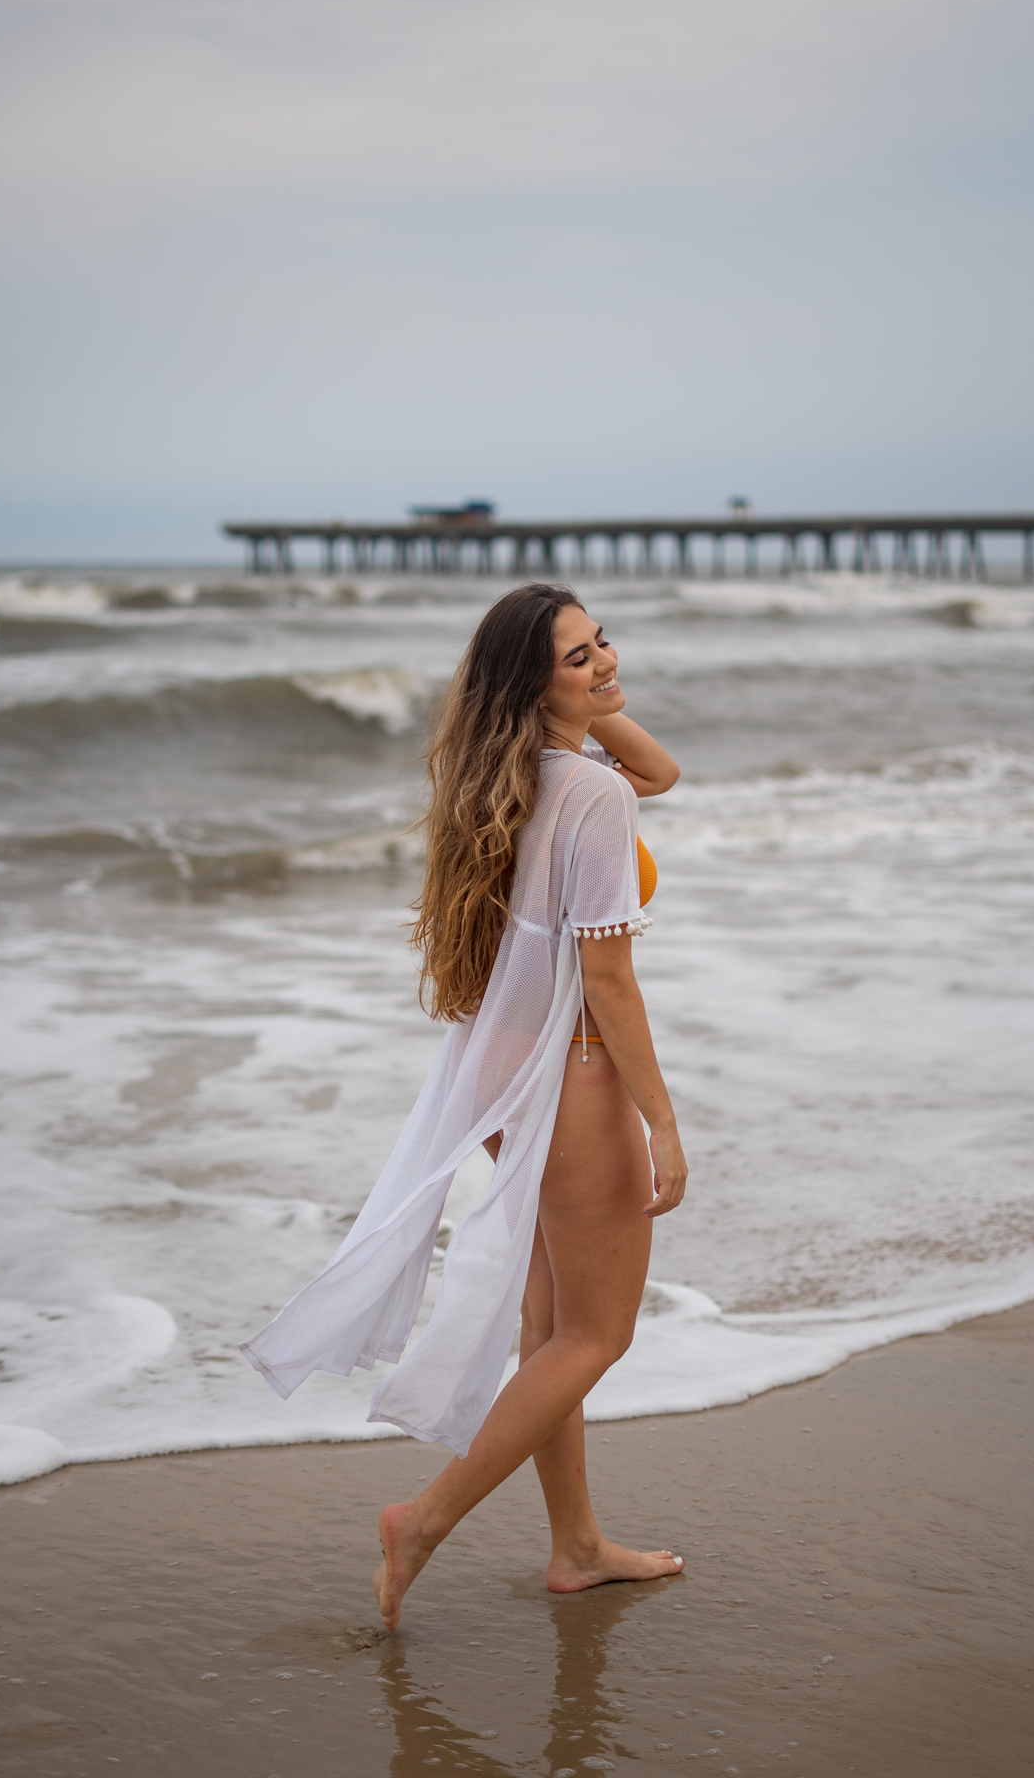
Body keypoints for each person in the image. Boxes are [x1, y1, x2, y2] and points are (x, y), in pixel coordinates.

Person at [240, 582, 688, 1630]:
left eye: (603, 640)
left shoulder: (508, 773)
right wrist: (663, 1122)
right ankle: (426, 1520)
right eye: (577, 657)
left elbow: (659, 771)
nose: (605, 660)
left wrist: (579, 699)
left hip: (501, 1066)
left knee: (549, 1324)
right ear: (530, 685)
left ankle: (576, 1545)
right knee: (596, 1334)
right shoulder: (589, 795)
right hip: (574, 1070)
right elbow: (610, 980)